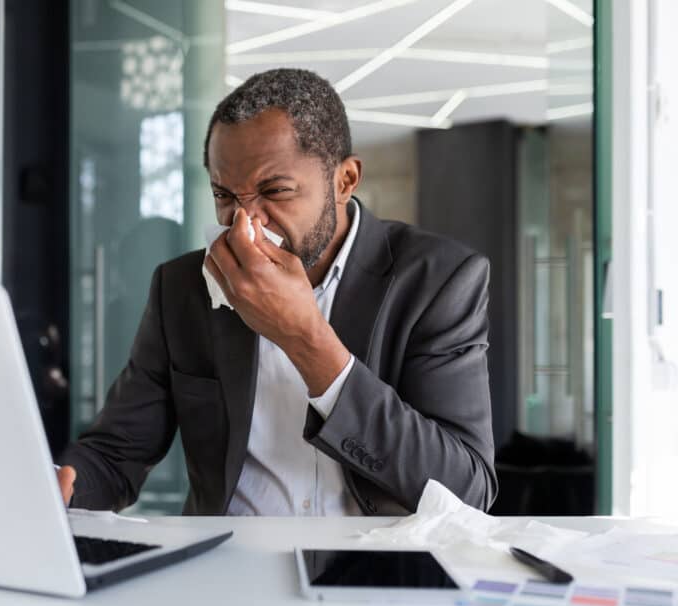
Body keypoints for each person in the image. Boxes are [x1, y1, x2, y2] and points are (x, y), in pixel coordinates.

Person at [55, 68, 496, 516]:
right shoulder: (182, 288)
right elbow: (115, 456)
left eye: (274, 191)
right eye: (225, 196)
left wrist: (305, 338)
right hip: (227, 566)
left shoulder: (439, 280)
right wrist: (62, 484)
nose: (245, 225)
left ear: (344, 181)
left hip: (375, 570)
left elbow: (465, 491)